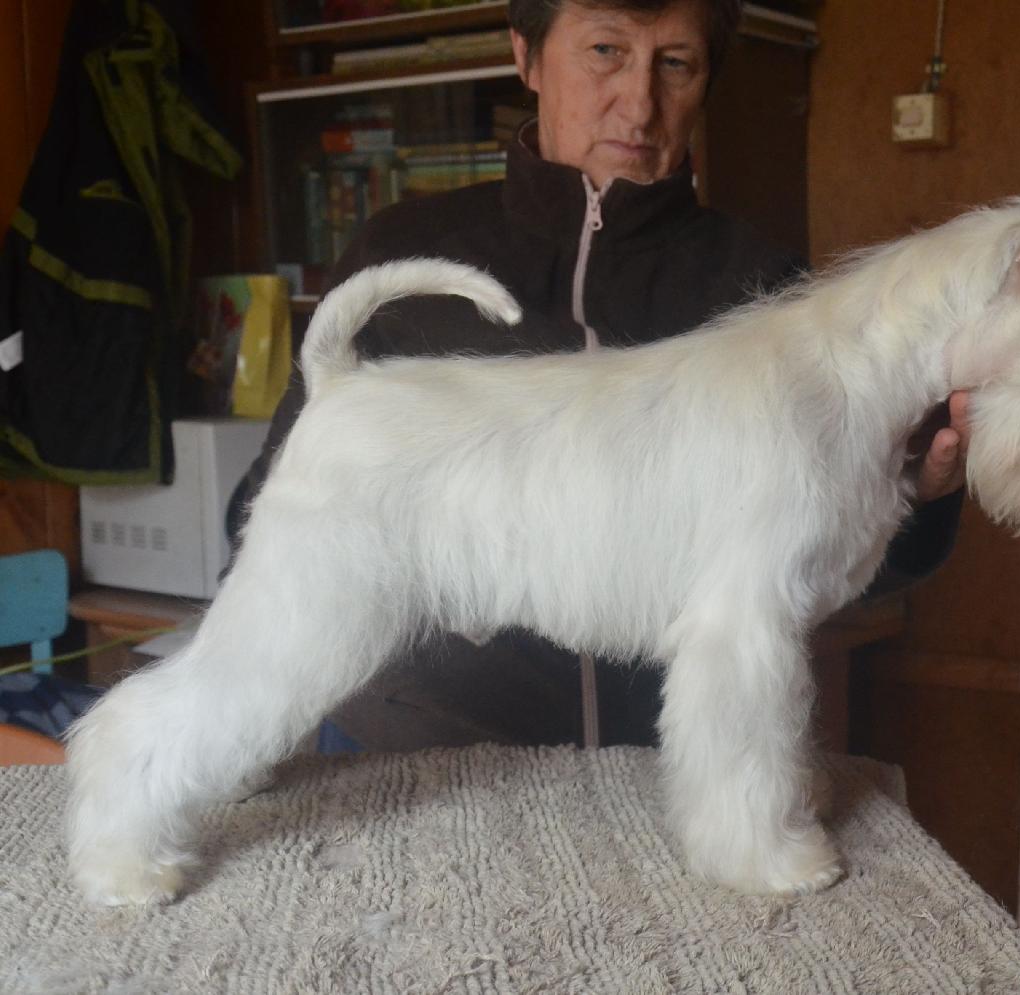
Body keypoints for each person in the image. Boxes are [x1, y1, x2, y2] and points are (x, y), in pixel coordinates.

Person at [232, 0, 968, 752]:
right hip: (422, 749)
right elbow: (269, 511)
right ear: (526, 55)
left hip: (664, 761)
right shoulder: (399, 255)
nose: (640, 105)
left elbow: (811, 569)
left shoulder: (769, 295)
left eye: (675, 63)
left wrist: (908, 495)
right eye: (606, 51)